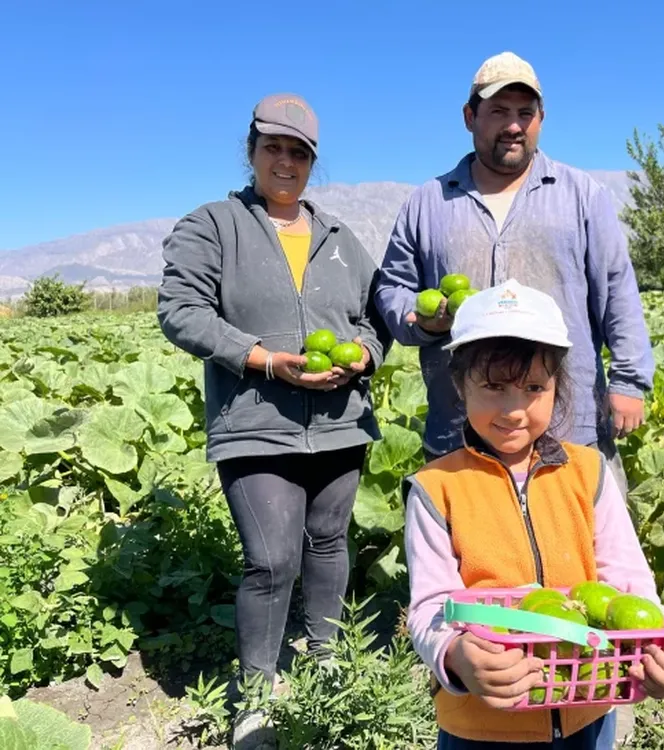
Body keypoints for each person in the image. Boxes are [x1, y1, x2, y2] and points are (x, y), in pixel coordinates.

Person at [156, 93, 392, 748]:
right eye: (273, 147)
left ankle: (325, 659)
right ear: (252, 150)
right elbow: (180, 309)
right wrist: (260, 359)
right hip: (255, 421)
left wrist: (364, 356)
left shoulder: (341, 239)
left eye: (299, 152)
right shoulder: (214, 225)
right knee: (270, 559)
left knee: (329, 541)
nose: (285, 162)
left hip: (340, 419)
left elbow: (374, 320)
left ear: (312, 161)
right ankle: (256, 697)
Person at [403, 279, 664, 748]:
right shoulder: (436, 487)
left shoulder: (588, 471)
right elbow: (429, 608)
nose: (514, 410)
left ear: (557, 386)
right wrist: (456, 656)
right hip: (482, 722)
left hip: (587, 706)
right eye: (493, 387)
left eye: (534, 388)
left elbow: (630, 584)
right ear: (460, 385)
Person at [374, 51, 655, 492]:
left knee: (584, 533)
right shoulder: (426, 203)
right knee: (465, 536)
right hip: (460, 430)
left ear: (541, 119)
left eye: (525, 113)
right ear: (470, 117)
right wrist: (421, 321)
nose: (513, 125)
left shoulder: (582, 195)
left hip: (568, 424)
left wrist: (629, 381)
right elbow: (392, 288)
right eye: (498, 112)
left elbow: (616, 289)